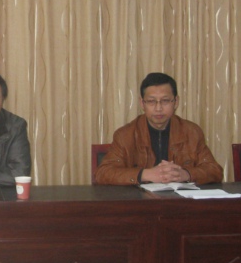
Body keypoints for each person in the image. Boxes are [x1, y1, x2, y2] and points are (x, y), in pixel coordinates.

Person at [95, 72, 223, 185]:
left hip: (180, 200)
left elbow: (214, 170)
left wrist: (185, 174)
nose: (158, 108)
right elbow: (103, 173)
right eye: (151, 101)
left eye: (165, 101)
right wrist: (145, 174)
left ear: (176, 102)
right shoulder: (125, 135)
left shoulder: (192, 132)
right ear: (142, 103)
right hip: (141, 201)